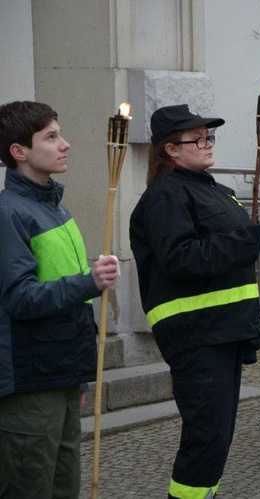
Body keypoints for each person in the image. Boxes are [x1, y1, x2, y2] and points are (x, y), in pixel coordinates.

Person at [129, 104, 260, 498]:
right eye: (198, 139)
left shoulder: (210, 189)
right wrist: (242, 244)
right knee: (206, 434)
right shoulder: (166, 197)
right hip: (197, 334)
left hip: (223, 330)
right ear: (171, 149)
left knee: (217, 434)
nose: (207, 144)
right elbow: (180, 258)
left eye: (209, 137)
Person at [0, 101, 119, 497]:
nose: (65, 144)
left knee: (64, 486)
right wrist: (89, 281)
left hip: (61, 369)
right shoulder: (9, 213)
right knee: (31, 486)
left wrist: (79, 372)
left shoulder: (56, 208)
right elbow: (20, 298)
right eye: (51, 137)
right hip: (29, 377)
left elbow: (71, 301)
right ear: (19, 152)